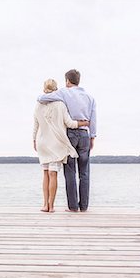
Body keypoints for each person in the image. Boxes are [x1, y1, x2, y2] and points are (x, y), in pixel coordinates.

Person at [38, 70, 96, 212]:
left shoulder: (63, 92)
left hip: (70, 135)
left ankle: (73, 207)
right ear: (78, 80)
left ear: (67, 81)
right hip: (84, 135)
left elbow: (42, 98)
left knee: (70, 171)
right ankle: (84, 206)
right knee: (84, 172)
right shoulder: (90, 97)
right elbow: (93, 119)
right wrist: (92, 136)